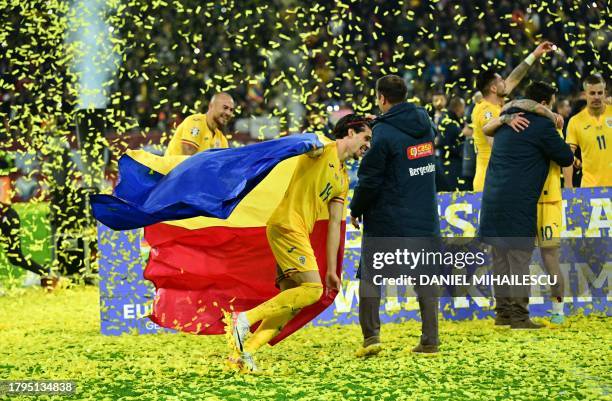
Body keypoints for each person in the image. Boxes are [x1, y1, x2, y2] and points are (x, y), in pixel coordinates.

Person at [228, 114, 373, 372]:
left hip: (294, 232)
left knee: (292, 302)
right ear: (350, 132)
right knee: (312, 291)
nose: (369, 145)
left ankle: (246, 352)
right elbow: (298, 144)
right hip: (286, 226)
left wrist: (331, 269)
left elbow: (334, 227)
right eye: (366, 137)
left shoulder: (343, 179)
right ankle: (243, 319)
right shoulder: (321, 149)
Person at [350, 74, 441, 355]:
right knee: (425, 278)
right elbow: (407, 149)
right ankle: (430, 340)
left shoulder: (383, 135)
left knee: (370, 277)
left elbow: (370, 180)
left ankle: (371, 338)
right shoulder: (425, 125)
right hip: (425, 215)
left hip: (389, 217)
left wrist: (356, 209)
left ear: (381, 98)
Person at [479, 81, 574, 329]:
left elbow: (487, 128)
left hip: (492, 197)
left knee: (499, 259)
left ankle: (503, 314)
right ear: (545, 104)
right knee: (519, 259)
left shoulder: (506, 119)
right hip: (518, 201)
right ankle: (520, 317)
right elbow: (566, 157)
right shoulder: (542, 125)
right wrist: (554, 128)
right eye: (551, 103)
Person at [471, 41, 555, 191]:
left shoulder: (497, 102)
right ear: (494, 88)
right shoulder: (485, 110)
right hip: (488, 181)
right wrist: (507, 120)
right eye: (502, 81)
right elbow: (493, 142)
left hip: (499, 177)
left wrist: (535, 54)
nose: (506, 82)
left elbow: (515, 77)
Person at [564, 74, 611, 188]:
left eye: (600, 93)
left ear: (605, 93)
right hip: (590, 189)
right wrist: (569, 188)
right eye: (592, 93)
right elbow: (567, 157)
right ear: (585, 95)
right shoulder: (575, 121)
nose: (596, 97)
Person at [165, 92, 235, 156]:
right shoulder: (195, 122)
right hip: (173, 169)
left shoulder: (222, 139)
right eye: (225, 107)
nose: (228, 113)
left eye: (231, 110)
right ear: (211, 106)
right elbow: (188, 160)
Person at [437, 97, 469, 191]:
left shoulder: (452, 119)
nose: (464, 111)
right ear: (458, 108)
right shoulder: (449, 122)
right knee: (454, 189)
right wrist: (463, 134)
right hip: (450, 162)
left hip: (450, 160)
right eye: (463, 107)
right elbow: (445, 142)